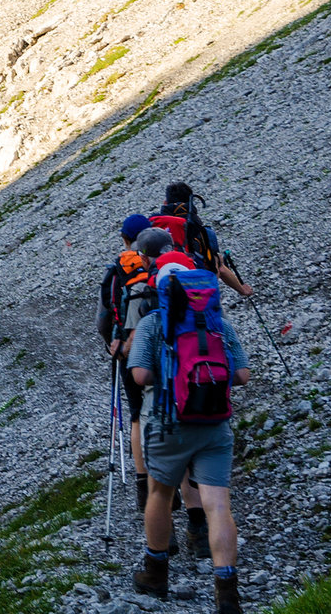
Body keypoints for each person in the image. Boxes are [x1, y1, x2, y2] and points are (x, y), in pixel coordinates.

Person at [129, 254, 251, 614]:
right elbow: (242, 376)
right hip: (215, 425)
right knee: (218, 503)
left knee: (160, 493)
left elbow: (138, 376)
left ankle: (156, 573)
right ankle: (227, 593)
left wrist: (172, 380)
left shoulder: (153, 324)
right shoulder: (220, 325)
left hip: (168, 424)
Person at [98, 214, 158, 509]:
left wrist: (112, 343)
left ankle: (143, 484)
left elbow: (102, 319)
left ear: (124, 238)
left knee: (136, 414)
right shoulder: (166, 263)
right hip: (169, 345)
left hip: (130, 350)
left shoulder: (117, 270)